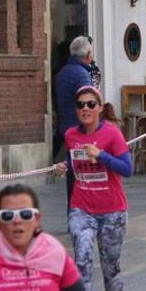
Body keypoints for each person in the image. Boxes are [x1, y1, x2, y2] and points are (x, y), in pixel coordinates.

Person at [54, 86, 133, 291]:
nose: (85, 109)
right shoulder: (71, 135)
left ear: (99, 108)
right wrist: (65, 166)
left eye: (90, 104)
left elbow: (127, 169)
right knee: (82, 261)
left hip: (112, 210)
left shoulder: (112, 134)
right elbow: (75, 158)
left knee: (111, 267)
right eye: (80, 105)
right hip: (82, 208)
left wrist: (102, 156)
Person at [53, 36, 95, 202]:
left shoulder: (63, 72)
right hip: (81, 129)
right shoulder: (82, 74)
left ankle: (74, 210)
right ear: (87, 54)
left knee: (72, 173)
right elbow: (88, 104)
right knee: (85, 173)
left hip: (66, 126)